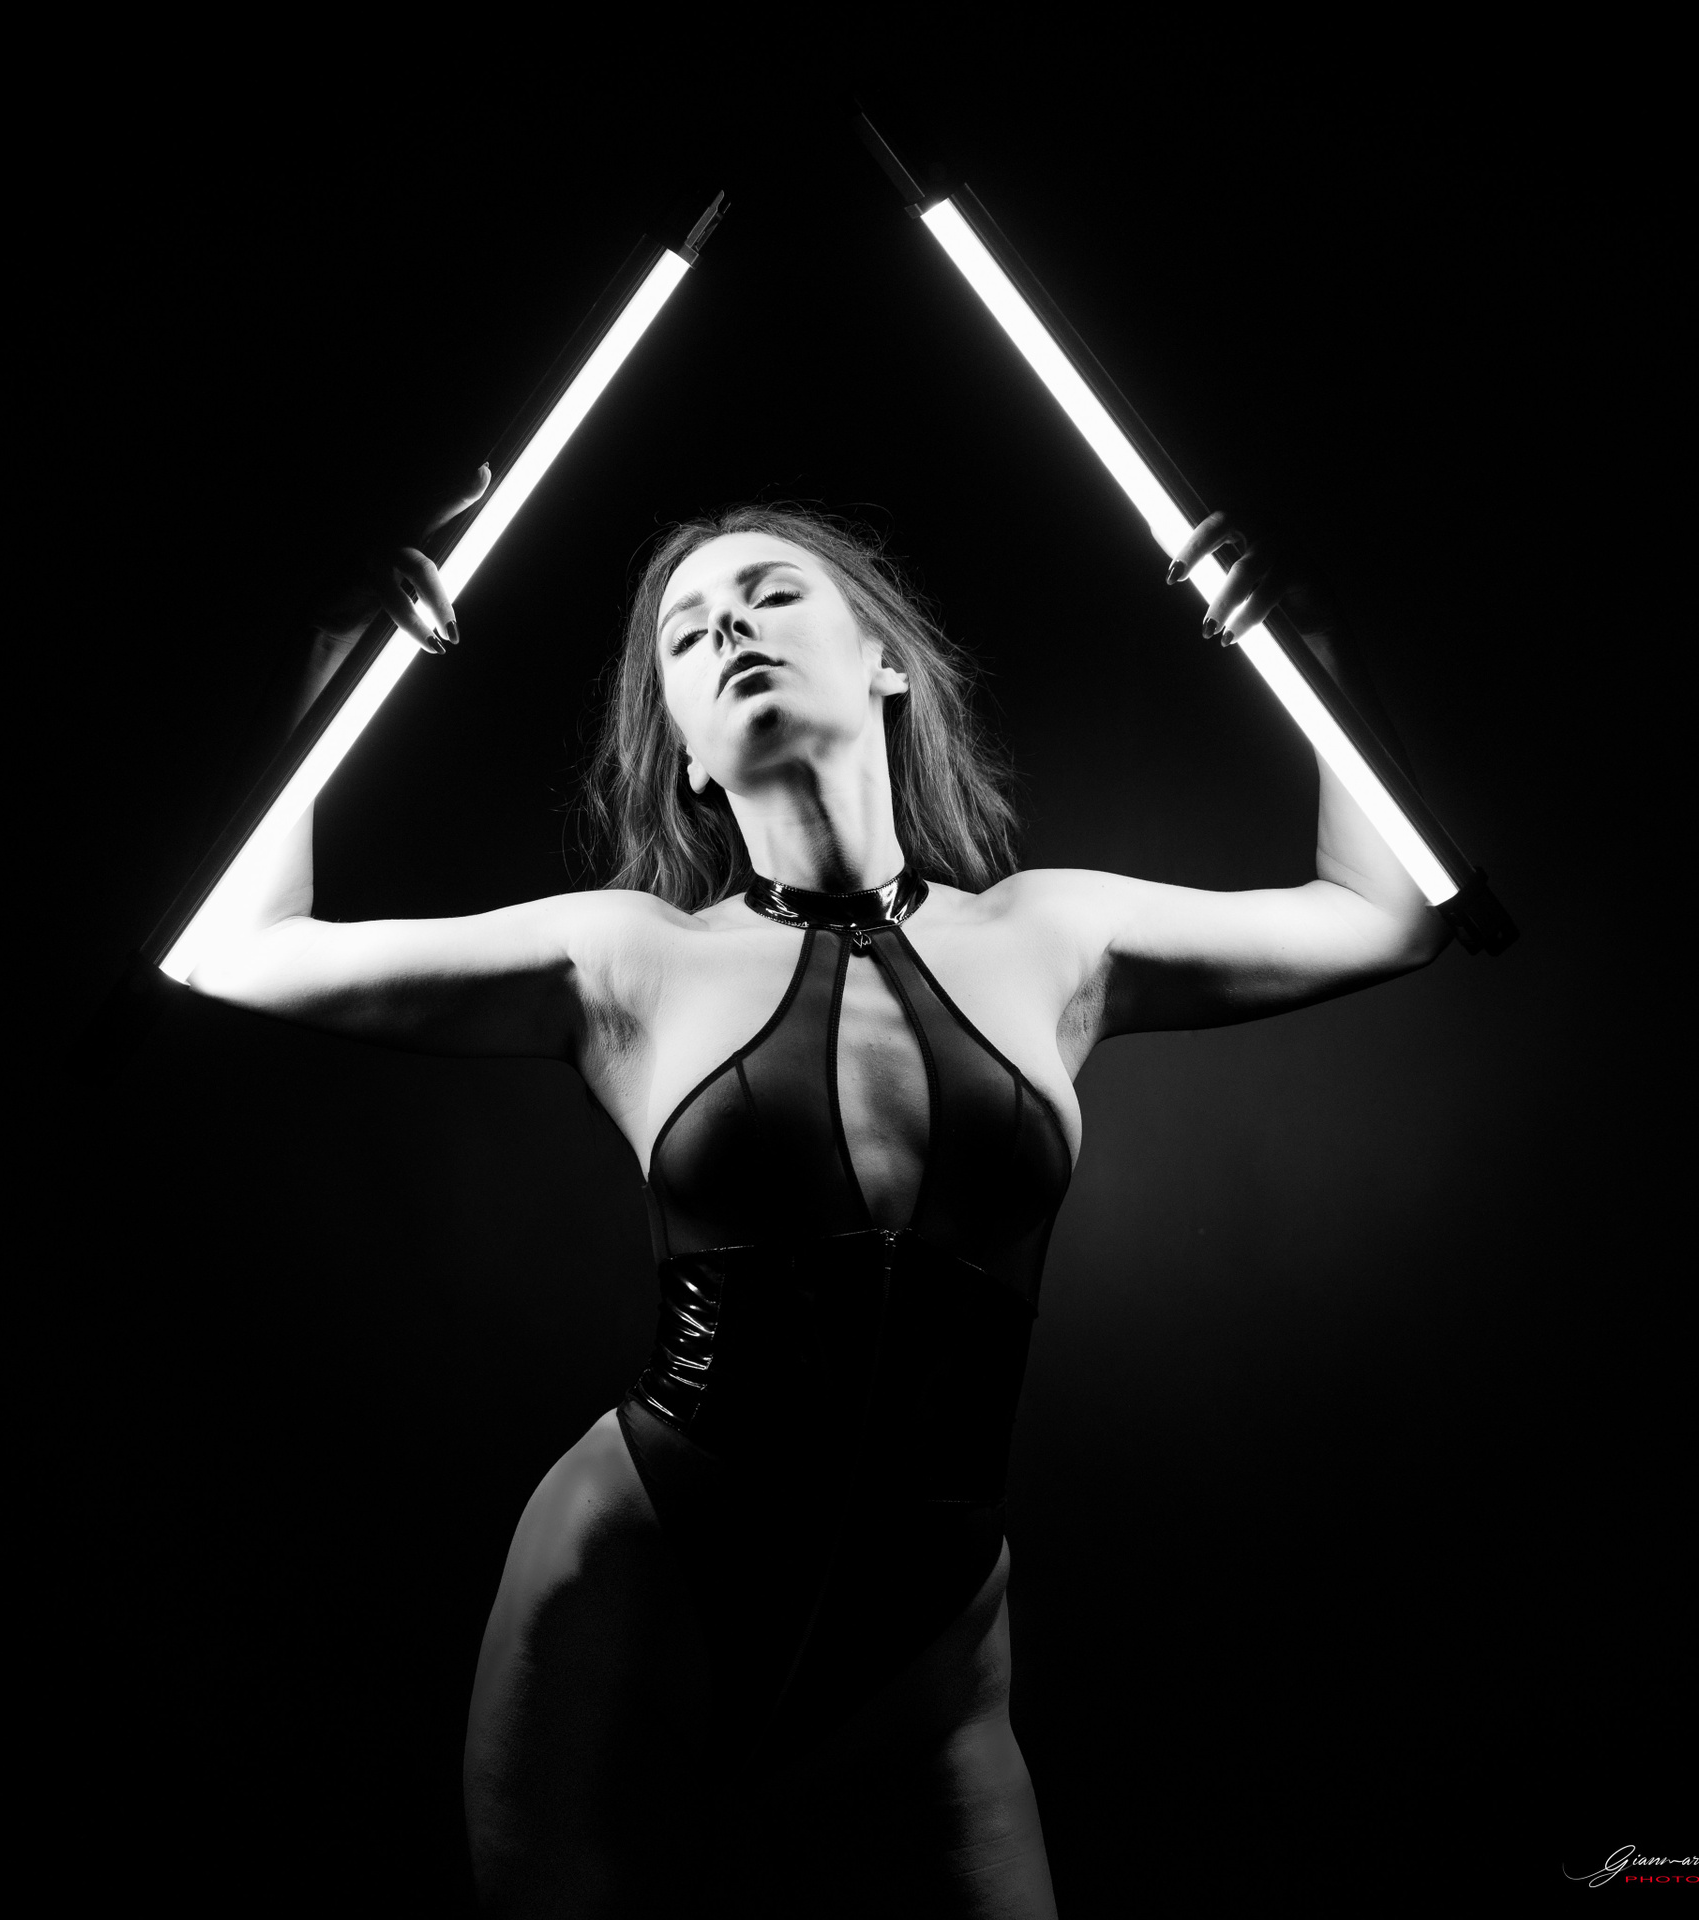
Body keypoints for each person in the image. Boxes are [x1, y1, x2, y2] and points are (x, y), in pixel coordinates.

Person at [190, 473, 1450, 1917]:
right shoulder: (624, 958)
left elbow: (1388, 916)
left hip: (927, 1644)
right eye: (686, 633)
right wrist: (338, 666)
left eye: (772, 593)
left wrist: (1307, 648)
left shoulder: (1057, 934)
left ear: (886, 662)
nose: (729, 628)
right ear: (686, 754)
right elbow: (240, 950)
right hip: (632, 1587)